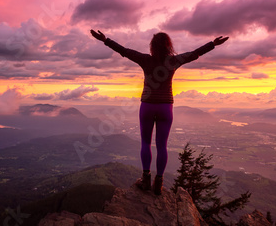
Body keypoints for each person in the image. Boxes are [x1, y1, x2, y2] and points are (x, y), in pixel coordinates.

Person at [91, 29, 228, 195]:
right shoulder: (173, 61)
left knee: (146, 143)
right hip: (165, 107)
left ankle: (146, 179)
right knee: (162, 146)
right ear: (168, 46)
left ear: (152, 46)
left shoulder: (145, 60)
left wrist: (105, 40)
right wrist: (213, 44)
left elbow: (124, 51)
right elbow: (194, 54)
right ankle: (159, 183)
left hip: (147, 106)